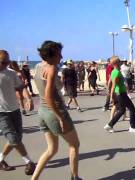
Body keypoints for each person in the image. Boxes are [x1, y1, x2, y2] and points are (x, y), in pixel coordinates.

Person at [32, 41, 81, 180]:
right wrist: (60, 118)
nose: (61, 56)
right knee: (74, 145)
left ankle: (33, 178)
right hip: (54, 111)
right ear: (51, 55)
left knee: (51, 149)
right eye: (59, 54)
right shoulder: (52, 68)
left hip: (42, 112)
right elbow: (48, 96)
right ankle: (75, 177)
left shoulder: (38, 66)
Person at [0, 50, 36, 175]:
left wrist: (29, 98)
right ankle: (29, 162)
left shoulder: (11, 73)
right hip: (1, 113)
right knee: (14, 139)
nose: (7, 64)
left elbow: (20, 87)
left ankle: (0, 160)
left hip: (14, 110)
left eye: (8, 61)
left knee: (16, 138)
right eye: (4, 62)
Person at [104, 56, 135, 133]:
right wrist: (111, 96)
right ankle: (133, 127)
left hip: (120, 93)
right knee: (132, 108)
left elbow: (110, 82)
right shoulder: (116, 72)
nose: (121, 62)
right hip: (121, 94)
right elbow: (113, 85)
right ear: (116, 63)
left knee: (121, 110)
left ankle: (109, 125)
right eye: (119, 61)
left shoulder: (114, 71)